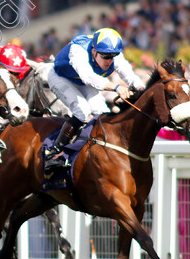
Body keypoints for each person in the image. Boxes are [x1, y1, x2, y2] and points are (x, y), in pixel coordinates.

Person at [43, 28, 145, 169]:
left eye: (113, 56)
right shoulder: (78, 50)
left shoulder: (113, 54)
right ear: (94, 51)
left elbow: (129, 74)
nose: (110, 61)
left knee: (101, 112)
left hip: (82, 81)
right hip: (61, 77)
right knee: (82, 110)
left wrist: (141, 88)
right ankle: (53, 153)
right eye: (105, 56)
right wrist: (116, 88)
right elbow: (88, 77)